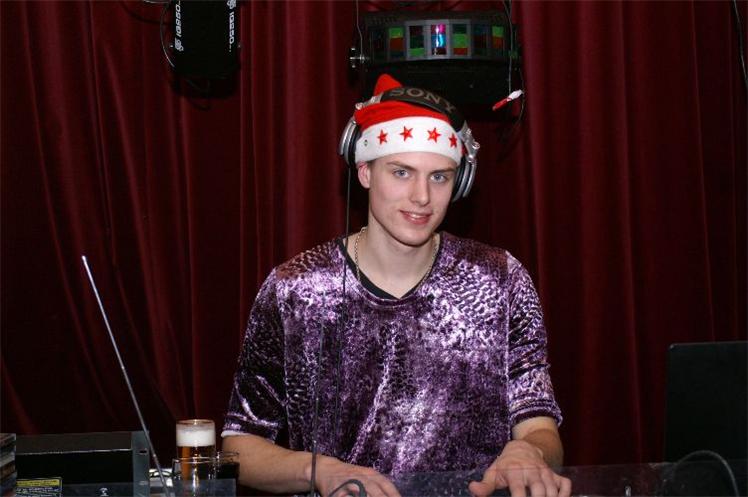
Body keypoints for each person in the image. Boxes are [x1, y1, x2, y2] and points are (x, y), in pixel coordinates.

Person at [222, 74, 571, 497]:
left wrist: (529, 452)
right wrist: (319, 471)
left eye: (439, 177)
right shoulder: (294, 289)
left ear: (460, 182)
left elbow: (539, 427)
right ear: (364, 171)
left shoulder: (501, 278)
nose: (422, 196)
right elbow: (237, 449)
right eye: (402, 172)